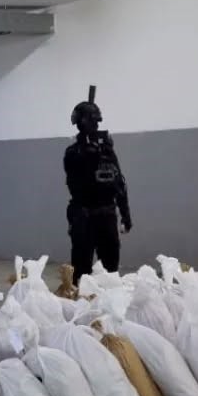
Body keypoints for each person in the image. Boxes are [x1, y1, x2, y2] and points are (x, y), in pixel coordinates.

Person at [65, 96, 132, 283]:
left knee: (110, 273)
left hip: (106, 216)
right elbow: (75, 184)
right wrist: (89, 157)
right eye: (92, 122)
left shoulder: (106, 151)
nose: (95, 126)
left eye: (97, 122)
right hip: (83, 217)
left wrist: (125, 214)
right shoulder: (73, 153)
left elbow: (118, 182)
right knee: (81, 273)